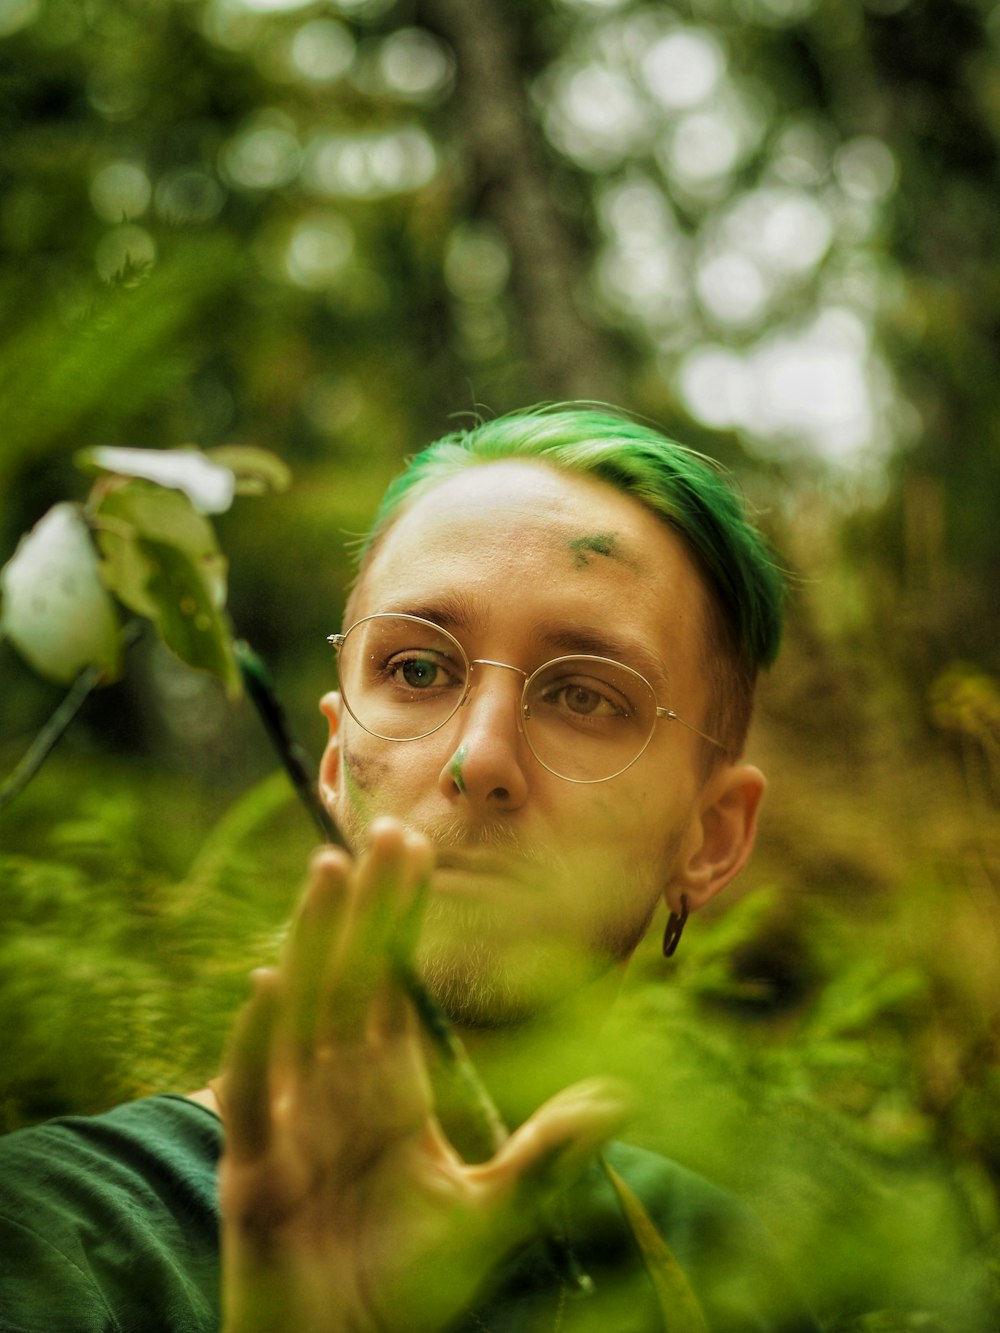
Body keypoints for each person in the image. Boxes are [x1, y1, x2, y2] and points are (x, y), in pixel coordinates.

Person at [0, 407, 819, 1332]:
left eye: (586, 694)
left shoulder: (722, 1267)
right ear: (332, 763)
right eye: (420, 669)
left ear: (709, 839)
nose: (480, 758)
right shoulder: (52, 1239)